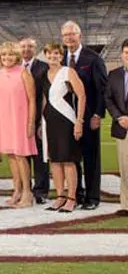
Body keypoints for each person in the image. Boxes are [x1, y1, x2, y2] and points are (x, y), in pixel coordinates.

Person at [61, 20, 108, 210]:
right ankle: (76, 194)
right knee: (72, 158)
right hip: (66, 118)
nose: (69, 38)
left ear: (80, 35)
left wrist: (97, 114)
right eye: (65, 35)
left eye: (72, 34)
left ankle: (92, 196)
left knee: (91, 157)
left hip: (88, 117)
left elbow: (102, 89)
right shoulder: (60, 57)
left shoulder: (93, 58)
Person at [42, 43, 86, 213]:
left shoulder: (68, 72)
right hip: (49, 122)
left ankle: (72, 198)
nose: (53, 56)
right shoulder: (44, 74)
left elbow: (81, 95)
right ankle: (60, 196)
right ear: (45, 55)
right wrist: (40, 123)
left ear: (61, 56)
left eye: (56, 54)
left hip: (67, 120)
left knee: (68, 159)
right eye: (49, 53)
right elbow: (45, 100)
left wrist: (79, 121)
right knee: (55, 160)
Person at [0, 41, 37, 208]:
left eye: (10, 54)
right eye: (4, 55)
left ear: (17, 56)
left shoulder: (24, 73)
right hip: (4, 119)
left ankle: (27, 192)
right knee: (11, 156)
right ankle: (17, 190)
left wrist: (31, 122)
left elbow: (32, 99)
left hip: (20, 118)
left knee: (20, 156)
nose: (7, 58)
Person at [21, 37, 51, 205]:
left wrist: (41, 120)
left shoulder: (43, 67)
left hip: (38, 117)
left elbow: (46, 95)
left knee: (40, 156)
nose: (26, 50)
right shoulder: (15, 67)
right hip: (19, 118)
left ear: (35, 48)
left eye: (29, 47)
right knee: (22, 155)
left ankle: (41, 191)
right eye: (23, 46)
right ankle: (25, 188)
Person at [105, 39, 128, 217]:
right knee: (125, 166)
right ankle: (125, 204)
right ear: (121, 54)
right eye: (126, 53)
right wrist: (119, 117)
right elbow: (108, 98)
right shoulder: (114, 74)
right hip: (121, 126)